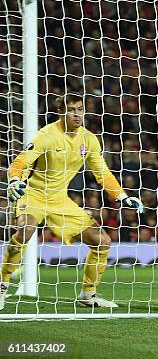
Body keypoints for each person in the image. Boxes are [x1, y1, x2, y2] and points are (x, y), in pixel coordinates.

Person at [0, 93, 144, 310]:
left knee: (102, 241)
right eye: (71, 110)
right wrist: (13, 180)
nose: (77, 114)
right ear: (61, 112)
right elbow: (21, 160)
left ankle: (88, 294)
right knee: (25, 229)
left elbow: (102, 173)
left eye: (80, 109)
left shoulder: (89, 140)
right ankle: (2, 285)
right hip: (34, 194)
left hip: (60, 200)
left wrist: (122, 196)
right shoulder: (46, 135)